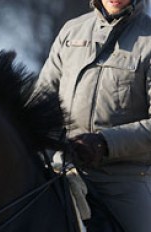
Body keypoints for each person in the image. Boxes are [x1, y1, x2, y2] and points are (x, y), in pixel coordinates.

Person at [35, 0, 151, 231]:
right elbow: (40, 101)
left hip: (121, 180)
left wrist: (104, 143)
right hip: (63, 168)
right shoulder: (71, 31)